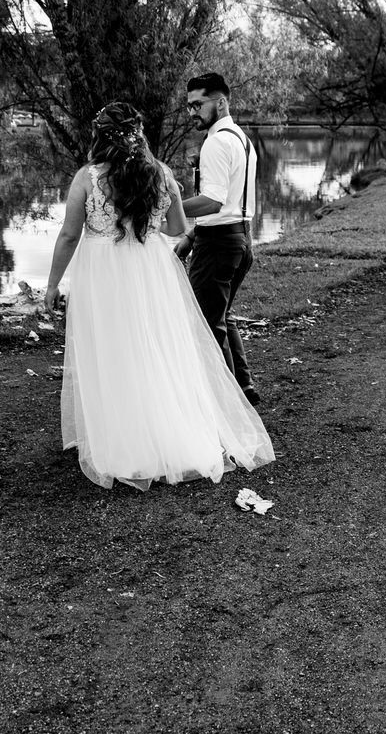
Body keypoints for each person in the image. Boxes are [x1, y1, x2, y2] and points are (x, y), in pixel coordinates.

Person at [45, 101, 274, 491]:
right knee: (154, 346)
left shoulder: (88, 177)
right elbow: (177, 227)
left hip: (104, 272)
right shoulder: (160, 174)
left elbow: (69, 234)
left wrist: (52, 285)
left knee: (111, 350)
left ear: (100, 136)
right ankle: (167, 435)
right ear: (137, 135)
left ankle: (122, 440)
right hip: (150, 268)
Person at [175, 72, 261, 406]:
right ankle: (243, 385)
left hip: (218, 246)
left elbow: (212, 202)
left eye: (198, 104)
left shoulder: (215, 142)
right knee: (220, 315)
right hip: (239, 240)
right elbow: (234, 201)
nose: (192, 112)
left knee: (205, 327)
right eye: (189, 106)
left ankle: (225, 408)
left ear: (220, 101)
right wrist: (193, 234)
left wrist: (165, 208)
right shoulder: (242, 139)